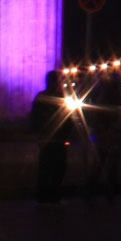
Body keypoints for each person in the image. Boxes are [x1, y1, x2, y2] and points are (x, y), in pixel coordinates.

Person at [85, 68, 121, 202]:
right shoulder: (116, 97)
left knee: (101, 163)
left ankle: (91, 191)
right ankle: (109, 193)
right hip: (111, 134)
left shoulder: (105, 96)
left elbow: (98, 117)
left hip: (106, 134)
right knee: (111, 165)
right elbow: (119, 117)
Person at [29, 70, 70, 205]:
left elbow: (34, 117)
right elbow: (66, 117)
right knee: (56, 167)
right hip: (55, 137)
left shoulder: (42, 96)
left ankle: (43, 196)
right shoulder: (60, 97)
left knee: (48, 167)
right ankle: (52, 196)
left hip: (48, 137)